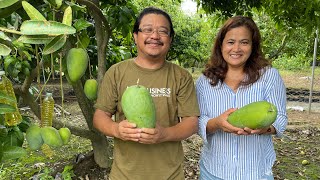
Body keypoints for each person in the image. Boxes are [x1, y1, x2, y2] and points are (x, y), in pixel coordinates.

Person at [93, 7, 199, 180]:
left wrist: (164, 134)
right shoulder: (117, 72)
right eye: (148, 30)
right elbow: (99, 116)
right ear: (135, 36)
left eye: (163, 31)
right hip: (124, 175)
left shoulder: (181, 76)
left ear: (170, 39)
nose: (155, 36)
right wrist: (116, 129)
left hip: (170, 175)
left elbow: (191, 123)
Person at [196, 16, 287, 180]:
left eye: (244, 42)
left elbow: (280, 117)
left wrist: (265, 128)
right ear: (221, 45)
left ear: (253, 46)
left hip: (256, 172)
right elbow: (197, 120)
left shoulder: (269, 76)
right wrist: (216, 123)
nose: (236, 48)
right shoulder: (205, 81)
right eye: (230, 42)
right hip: (214, 172)